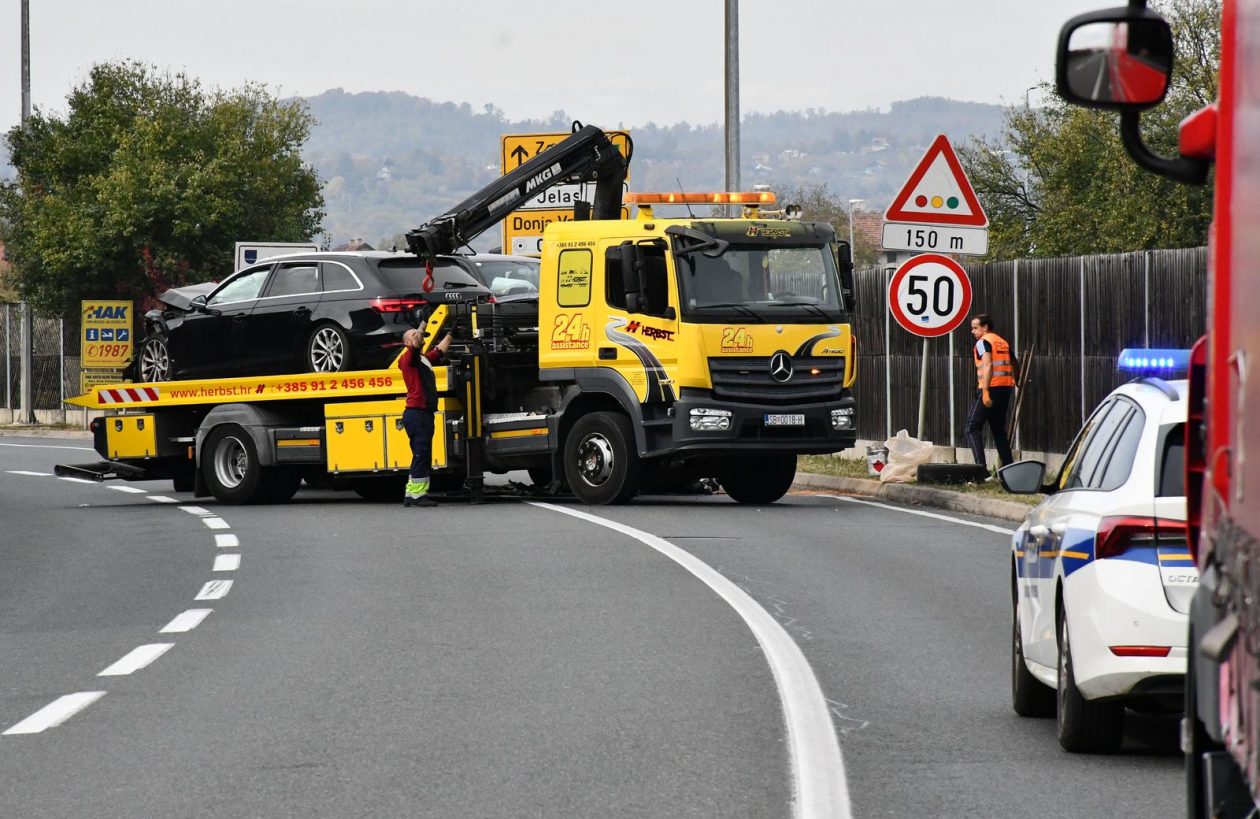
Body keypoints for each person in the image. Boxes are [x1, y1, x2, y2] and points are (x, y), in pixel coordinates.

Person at [399, 326, 453, 507]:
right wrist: (422, 324)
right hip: (417, 414)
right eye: (416, 336)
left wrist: (451, 333)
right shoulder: (408, 358)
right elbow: (415, 343)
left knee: (419, 454)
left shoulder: (423, 359)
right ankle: (418, 496)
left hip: (422, 414)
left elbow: (439, 351)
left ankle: (410, 493)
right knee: (421, 454)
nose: (421, 338)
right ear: (408, 342)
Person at [966, 313, 1016, 471]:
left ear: (985, 327)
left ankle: (980, 469)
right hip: (1005, 389)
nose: (972, 331)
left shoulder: (983, 343)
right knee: (998, 430)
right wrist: (1017, 379)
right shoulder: (1002, 342)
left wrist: (986, 391)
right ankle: (1009, 468)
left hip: (990, 388)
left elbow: (987, 365)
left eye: (975, 328)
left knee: (971, 427)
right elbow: (1014, 361)